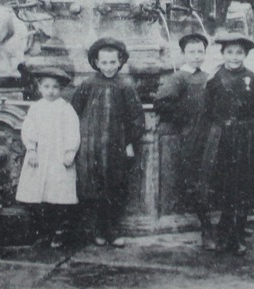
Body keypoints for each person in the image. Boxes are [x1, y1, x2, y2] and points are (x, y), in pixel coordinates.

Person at [183, 34, 254, 255]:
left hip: (245, 139)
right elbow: (206, 111)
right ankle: (223, 232)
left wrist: (253, 133)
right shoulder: (214, 80)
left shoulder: (253, 80)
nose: (234, 57)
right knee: (223, 185)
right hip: (220, 138)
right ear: (223, 54)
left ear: (245, 55)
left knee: (243, 186)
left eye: (239, 53)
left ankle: (239, 234)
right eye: (230, 53)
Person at [70, 37, 145, 247]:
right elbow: (73, 112)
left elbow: (137, 118)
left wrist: (130, 142)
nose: (109, 67)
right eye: (104, 63)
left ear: (120, 61)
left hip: (115, 146)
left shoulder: (125, 86)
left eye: (113, 62)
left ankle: (111, 230)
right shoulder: (88, 85)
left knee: (115, 188)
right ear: (96, 62)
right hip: (91, 147)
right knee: (92, 188)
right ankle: (96, 230)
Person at [155, 33, 213, 247]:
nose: (196, 56)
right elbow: (161, 102)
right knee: (196, 181)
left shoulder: (208, 77)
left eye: (200, 52)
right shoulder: (179, 78)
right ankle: (206, 228)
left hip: (211, 135)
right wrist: (184, 118)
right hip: (191, 136)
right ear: (183, 54)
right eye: (192, 52)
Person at [13, 64, 80, 248]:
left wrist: (70, 152)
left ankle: (60, 231)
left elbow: (73, 131)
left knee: (58, 195)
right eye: (47, 87)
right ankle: (44, 231)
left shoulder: (65, 109)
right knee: (38, 194)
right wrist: (31, 149)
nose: (51, 91)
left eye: (55, 87)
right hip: (40, 157)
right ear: (40, 87)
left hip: (58, 157)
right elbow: (29, 129)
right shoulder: (36, 108)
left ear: (61, 89)